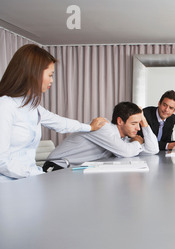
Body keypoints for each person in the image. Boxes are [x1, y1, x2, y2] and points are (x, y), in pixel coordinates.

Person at [0, 44, 107, 182]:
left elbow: (61, 123)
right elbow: (1, 161)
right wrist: (36, 174)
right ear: (34, 73)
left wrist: (90, 127)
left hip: (27, 180)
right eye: (50, 75)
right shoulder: (5, 106)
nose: (52, 80)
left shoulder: (32, 106)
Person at [43, 102, 159, 171]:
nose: (138, 129)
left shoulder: (123, 138)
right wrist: (137, 142)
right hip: (57, 168)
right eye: (134, 124)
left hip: (75, 170)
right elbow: (126, 151)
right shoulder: (103, 127)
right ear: (120, 121)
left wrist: (143, 121)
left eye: (139, 124)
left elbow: (153, 149)